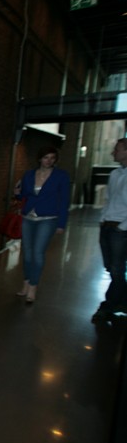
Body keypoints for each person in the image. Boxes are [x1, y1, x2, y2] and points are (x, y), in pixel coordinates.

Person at [14, 146, 71, 304]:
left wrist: (61, 223)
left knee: (38, 253)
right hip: (28, 216)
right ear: (40, 158)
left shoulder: (61, 176)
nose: (49, 161)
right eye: (46, 157)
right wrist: (17, 193)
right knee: (27, 253)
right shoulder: (29, 174)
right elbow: (24, 195)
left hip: (48, 218)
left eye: (52, 158)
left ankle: (33, 287)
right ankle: (26, 283)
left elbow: (65, 200)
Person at [92, 138, 127, 323]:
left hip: (121, 229)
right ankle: (122, 301)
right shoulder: (115, 173)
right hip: (107, 226)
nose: (113, 152)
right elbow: (108, 199)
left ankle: (108, 305)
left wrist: (122, 227)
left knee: (116, 269)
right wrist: (102, 219)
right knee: (111, 267)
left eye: (117, 149)